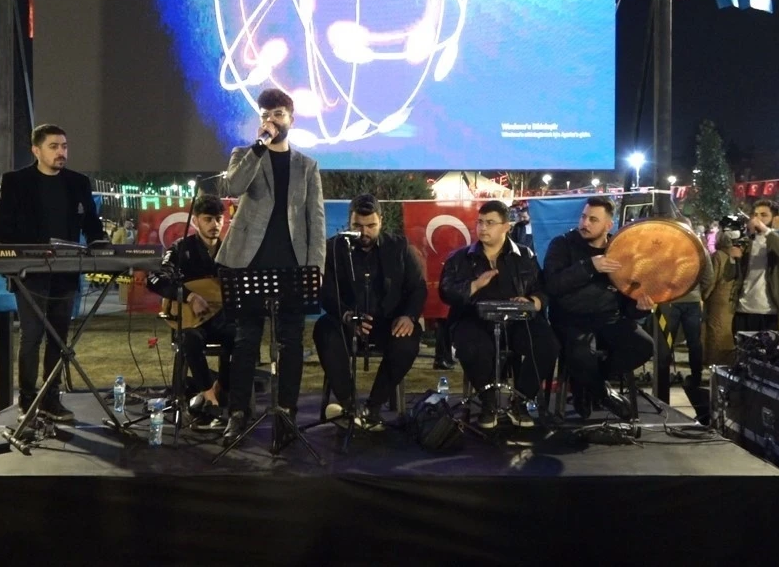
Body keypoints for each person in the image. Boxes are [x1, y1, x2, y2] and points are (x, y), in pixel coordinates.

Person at [215, 88, 326, 444]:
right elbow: (233, 186)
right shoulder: (245, 154)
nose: (271, 120)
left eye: (278, 114)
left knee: (290, 343)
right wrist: (259, 148)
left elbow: (316, 220)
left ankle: (287, 413)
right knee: (246, 341)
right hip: (249, 262)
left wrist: (316, 269)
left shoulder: (307, 166)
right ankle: (238, 413)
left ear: (291, 118)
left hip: (292, 265)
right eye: (265, 115)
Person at [0, 123, 106, 422]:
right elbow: (3, 229)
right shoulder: (16, 182)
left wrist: (100, 243)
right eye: (54, 146)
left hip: (66, 272)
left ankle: (51, 399)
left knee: (59, 337)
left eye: (64, 146)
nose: (61, 152)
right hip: (31, 272)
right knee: (31, 336)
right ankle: (27, 400)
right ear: (36, 150)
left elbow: (91, 223)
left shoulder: (78, 182)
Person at [440, 200, 558, 429]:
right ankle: (489, 403)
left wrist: (533, 301)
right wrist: (475, 285)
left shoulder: (524, 255)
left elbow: (542, 287)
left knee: (547, 345)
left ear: (506, 226)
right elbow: (446, 292)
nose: (483, 227)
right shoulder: (460, 258)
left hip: (517, 321)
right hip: (475, 319)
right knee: (472, 345)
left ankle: (520, 401)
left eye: (490, 223)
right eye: (480, 222)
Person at [315, 195, 426, 431]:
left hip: (388, 322)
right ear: (349, 222)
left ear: (381, 222)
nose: (364, 232)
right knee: (324, 330)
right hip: (347, 322)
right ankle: (349, 404)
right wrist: (346, 315)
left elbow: (418, 288)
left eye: (371, 226)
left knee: (408, 341)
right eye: (357, 226)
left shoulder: (399, 247)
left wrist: (409, 316)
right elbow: (325, 292)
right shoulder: (333, 249)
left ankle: (373, 407)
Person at [542, 196, 654, 420]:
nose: (585, 223)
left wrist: (641, 307)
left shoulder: (621, 251)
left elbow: (628, 304)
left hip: (609, 318)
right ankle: (602, 393)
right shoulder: (562, 244)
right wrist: (589, 266)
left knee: (643, 346)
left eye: (593, 220)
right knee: (581, 352)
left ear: (608, 225)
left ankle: (588, 385)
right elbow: (552, 285)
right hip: (570, 319)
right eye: (584, 217)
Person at [158, 194, 233, 431]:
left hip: (221, 321)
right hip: (191, 323)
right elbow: (156, 278)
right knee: (190, 339)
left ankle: (221, 393)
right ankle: (211, 400)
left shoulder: (229, 252)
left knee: (243, 338)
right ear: (196, 221)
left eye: (218, 219)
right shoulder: (181, 248)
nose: (214, 225)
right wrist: (190, 296)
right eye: (208, 219)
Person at [662, 218, 714, 385]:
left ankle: (663, 377)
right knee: (694, 342)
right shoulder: (700, 250)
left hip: (670, 301)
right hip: (692, 301)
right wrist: (698, 292)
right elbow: (708, 277)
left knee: (666, 340)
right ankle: (696, 377)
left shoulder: (666, 249)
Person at [732, 200, 779, 334]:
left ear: (774, 219)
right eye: (755, 215)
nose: (757, 219)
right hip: (743, 307)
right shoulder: (746, 241)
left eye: (764, 215)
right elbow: (731, 273)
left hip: (768, 310)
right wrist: (733, 257)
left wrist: (765, 230)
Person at [702, 233, 740, 367]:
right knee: (727, 330)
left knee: (715, 329)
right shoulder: (737, 254)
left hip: (718, 297)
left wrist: (704, 295)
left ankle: (714, 359)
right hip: (732, 298)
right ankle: (727, 359)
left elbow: (712, 279)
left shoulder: (718, 255)